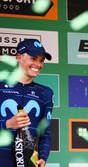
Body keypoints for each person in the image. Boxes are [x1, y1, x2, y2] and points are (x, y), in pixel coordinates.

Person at [0, 39, 54, 167]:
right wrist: (7, 124)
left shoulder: (46, 93)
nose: (38, 64)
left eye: (41, 60)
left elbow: (45, 133)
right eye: (33, 58)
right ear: (19, 57)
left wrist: (43, 157)